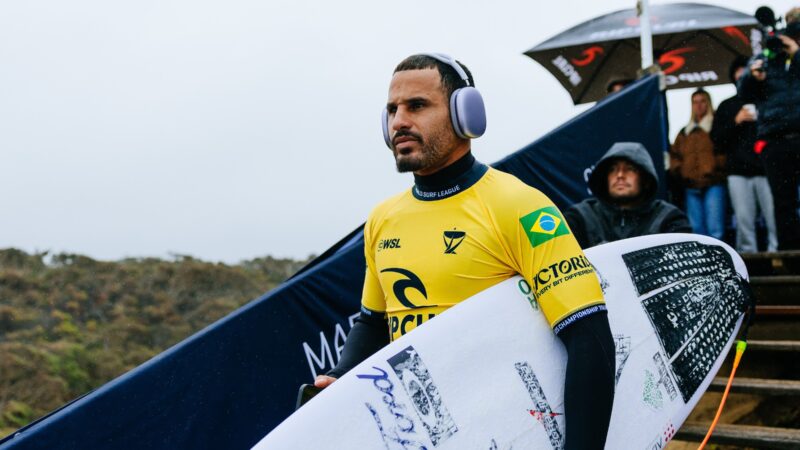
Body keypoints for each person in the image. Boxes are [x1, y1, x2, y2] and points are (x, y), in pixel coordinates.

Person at [314, 54, 615, 449]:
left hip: (505, 431)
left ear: (465, 115)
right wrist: (341, 374)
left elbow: (589, 335)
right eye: (392, 110)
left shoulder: (520, 206)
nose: (399, 121)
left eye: (417, 106)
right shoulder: (383, 218)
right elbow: (373, 323)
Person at [738, 7, 800, 250]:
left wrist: (796, 54)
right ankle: (791, 255)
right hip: (775, 139)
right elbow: (743, 93)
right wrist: (754, 77)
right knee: (783, 202)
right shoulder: (767, 52)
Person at [564, 142, 691, 248]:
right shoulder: (580, 217)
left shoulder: (668, 218)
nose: (620, 175)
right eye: (612, 169)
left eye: (630, 169)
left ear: (645, 179)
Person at [711, 57, 778, 252]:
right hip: (738, 171)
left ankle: (778, 255)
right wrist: (736, 121)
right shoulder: (727, 105)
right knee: (744, 221)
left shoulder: (767, 100)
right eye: (739, 74)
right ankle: (749, 261)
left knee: (775, 217)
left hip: (767, 169)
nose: (743, 78)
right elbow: (717, 139)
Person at [669, 89, 727, 240]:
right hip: (691, 187)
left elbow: (725, 151)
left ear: (708, 103)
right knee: (696, 231)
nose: (699, 105)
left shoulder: (716, 128)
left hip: (713, 184)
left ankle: (716, 261)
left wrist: (715, 168)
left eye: (702, 101)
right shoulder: (684, 133)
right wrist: (681, 171)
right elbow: (674, 155)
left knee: (716, 230)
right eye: (695, 102)